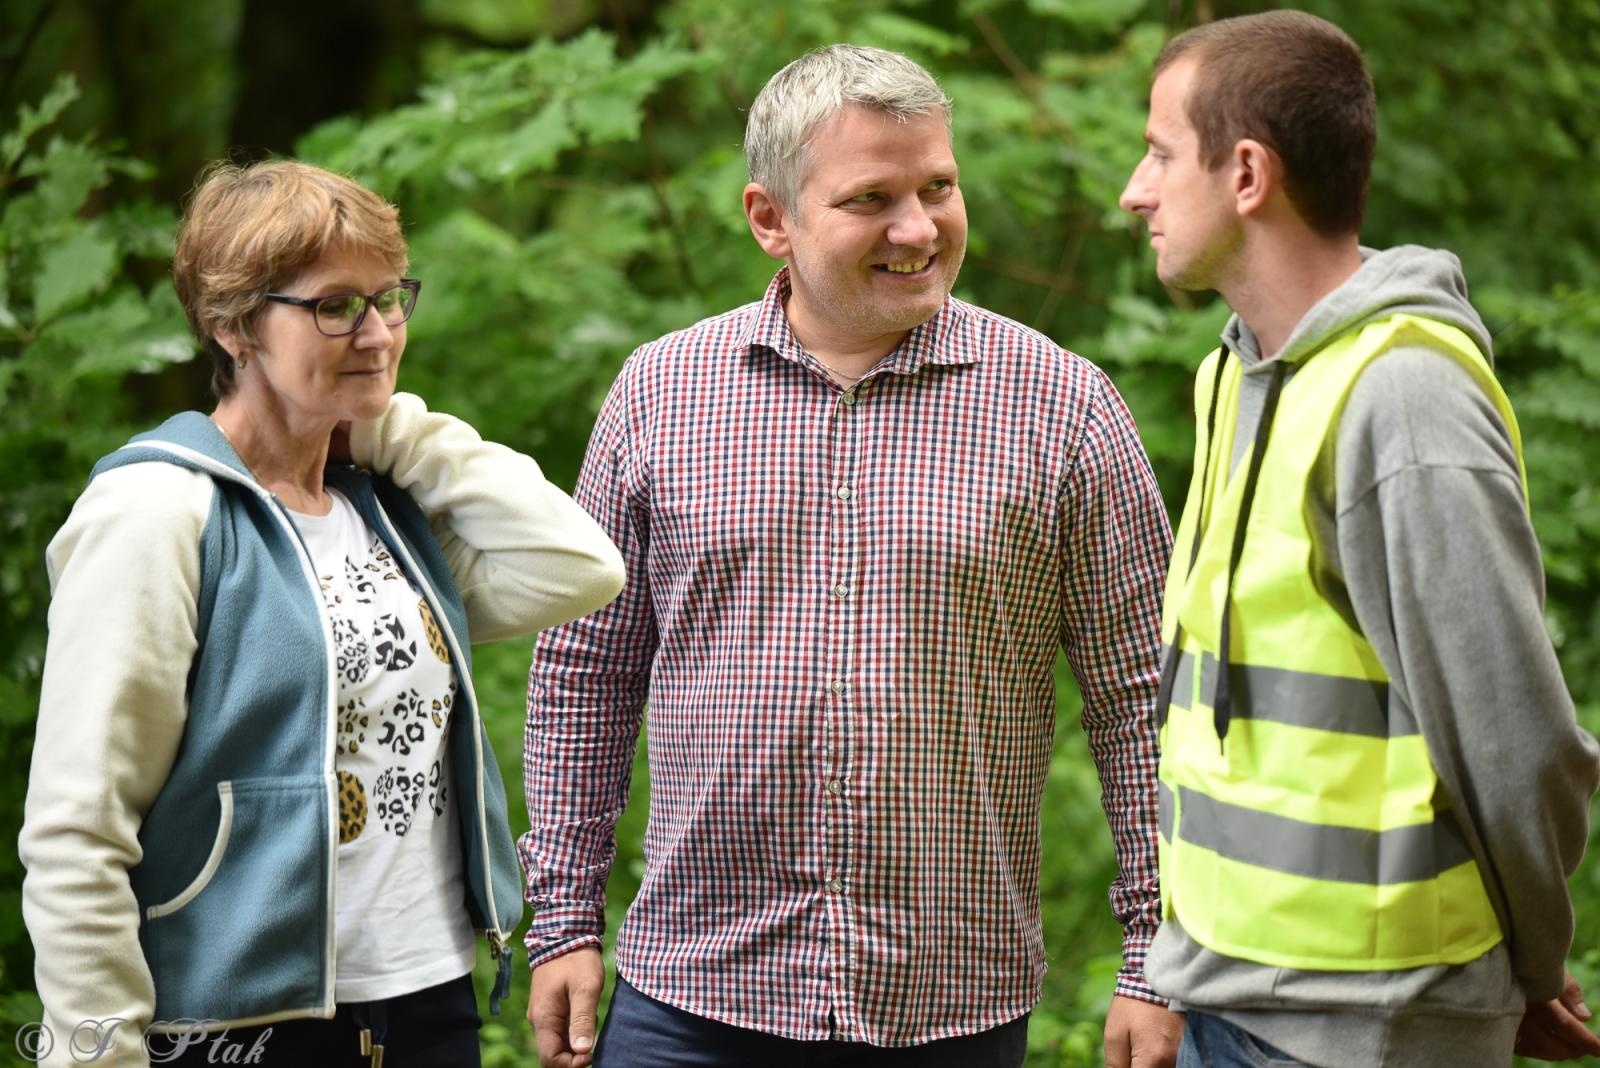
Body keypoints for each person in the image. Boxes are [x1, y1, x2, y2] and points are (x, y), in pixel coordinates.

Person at [520, 43, 1182, 1068]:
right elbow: (583, 671)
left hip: (948, 1005)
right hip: (692, 994)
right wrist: (561, 919)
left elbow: (1144, 698)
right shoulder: (660, 395)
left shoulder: (1064, 408)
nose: (918, 228)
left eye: (938, 187)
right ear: (768, 220)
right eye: (872, 197)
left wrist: (1154, 956)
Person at [18, 159, 625, 1068]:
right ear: (232, 326)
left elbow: (579, 566)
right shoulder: (157, 513)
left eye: (390, 299)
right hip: (240, 1020)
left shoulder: (379, 512)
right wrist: (98, 1052)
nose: (377, 331)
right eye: (335, 306)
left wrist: (386, 423)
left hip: (427, 997)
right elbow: (79, 828)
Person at [1118, 10, 1600, 1067]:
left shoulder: (1404, 397)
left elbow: (1515, 742)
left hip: (1368, 1028)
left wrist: (1521, 969)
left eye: (1158, 154)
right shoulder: (1234, 378)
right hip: (1229, 999)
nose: (1134, 190)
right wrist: (1165, 957)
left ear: (1246, 173)